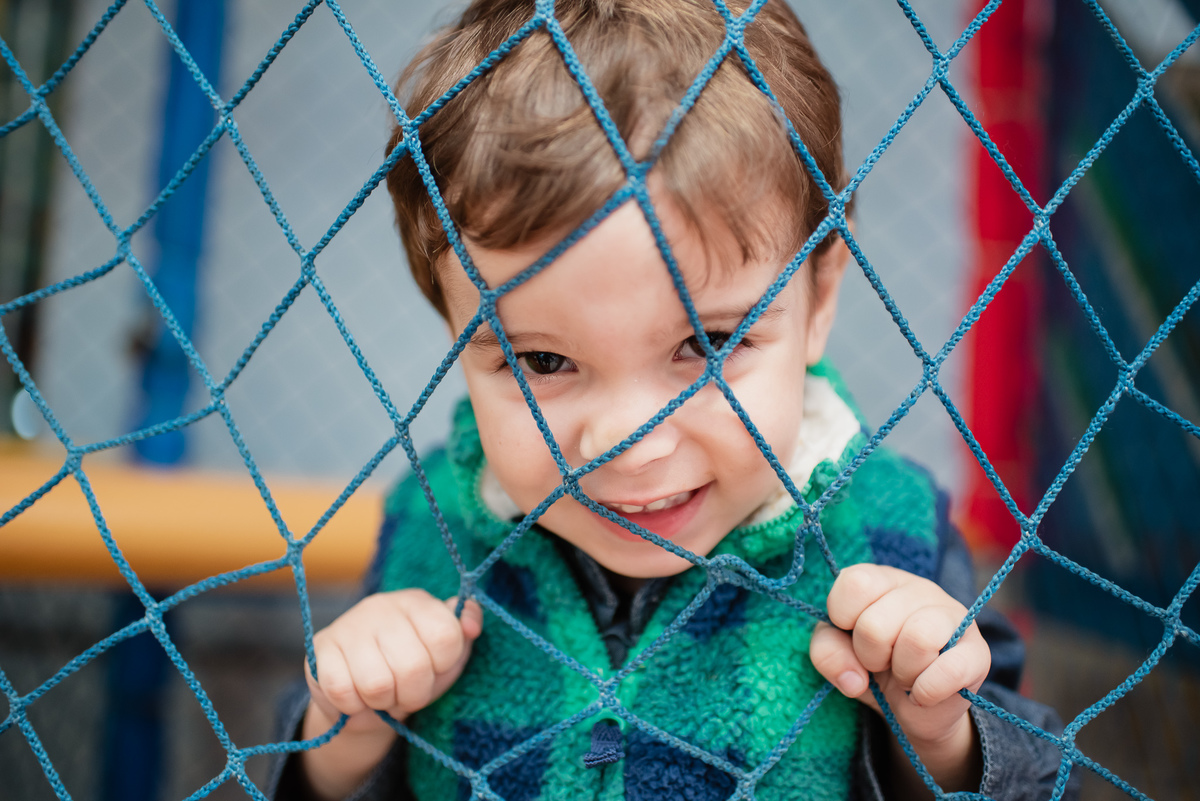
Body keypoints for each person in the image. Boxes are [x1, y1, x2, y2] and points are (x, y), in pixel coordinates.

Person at [270, 0, 1073, 798]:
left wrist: (935, 734)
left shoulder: (891, 528)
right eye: (544, 359)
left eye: (709, 345)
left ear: (820, 297)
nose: (628, 440)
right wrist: (345, 730)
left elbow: (1029, 776)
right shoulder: (433, 524)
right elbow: (317, 780)